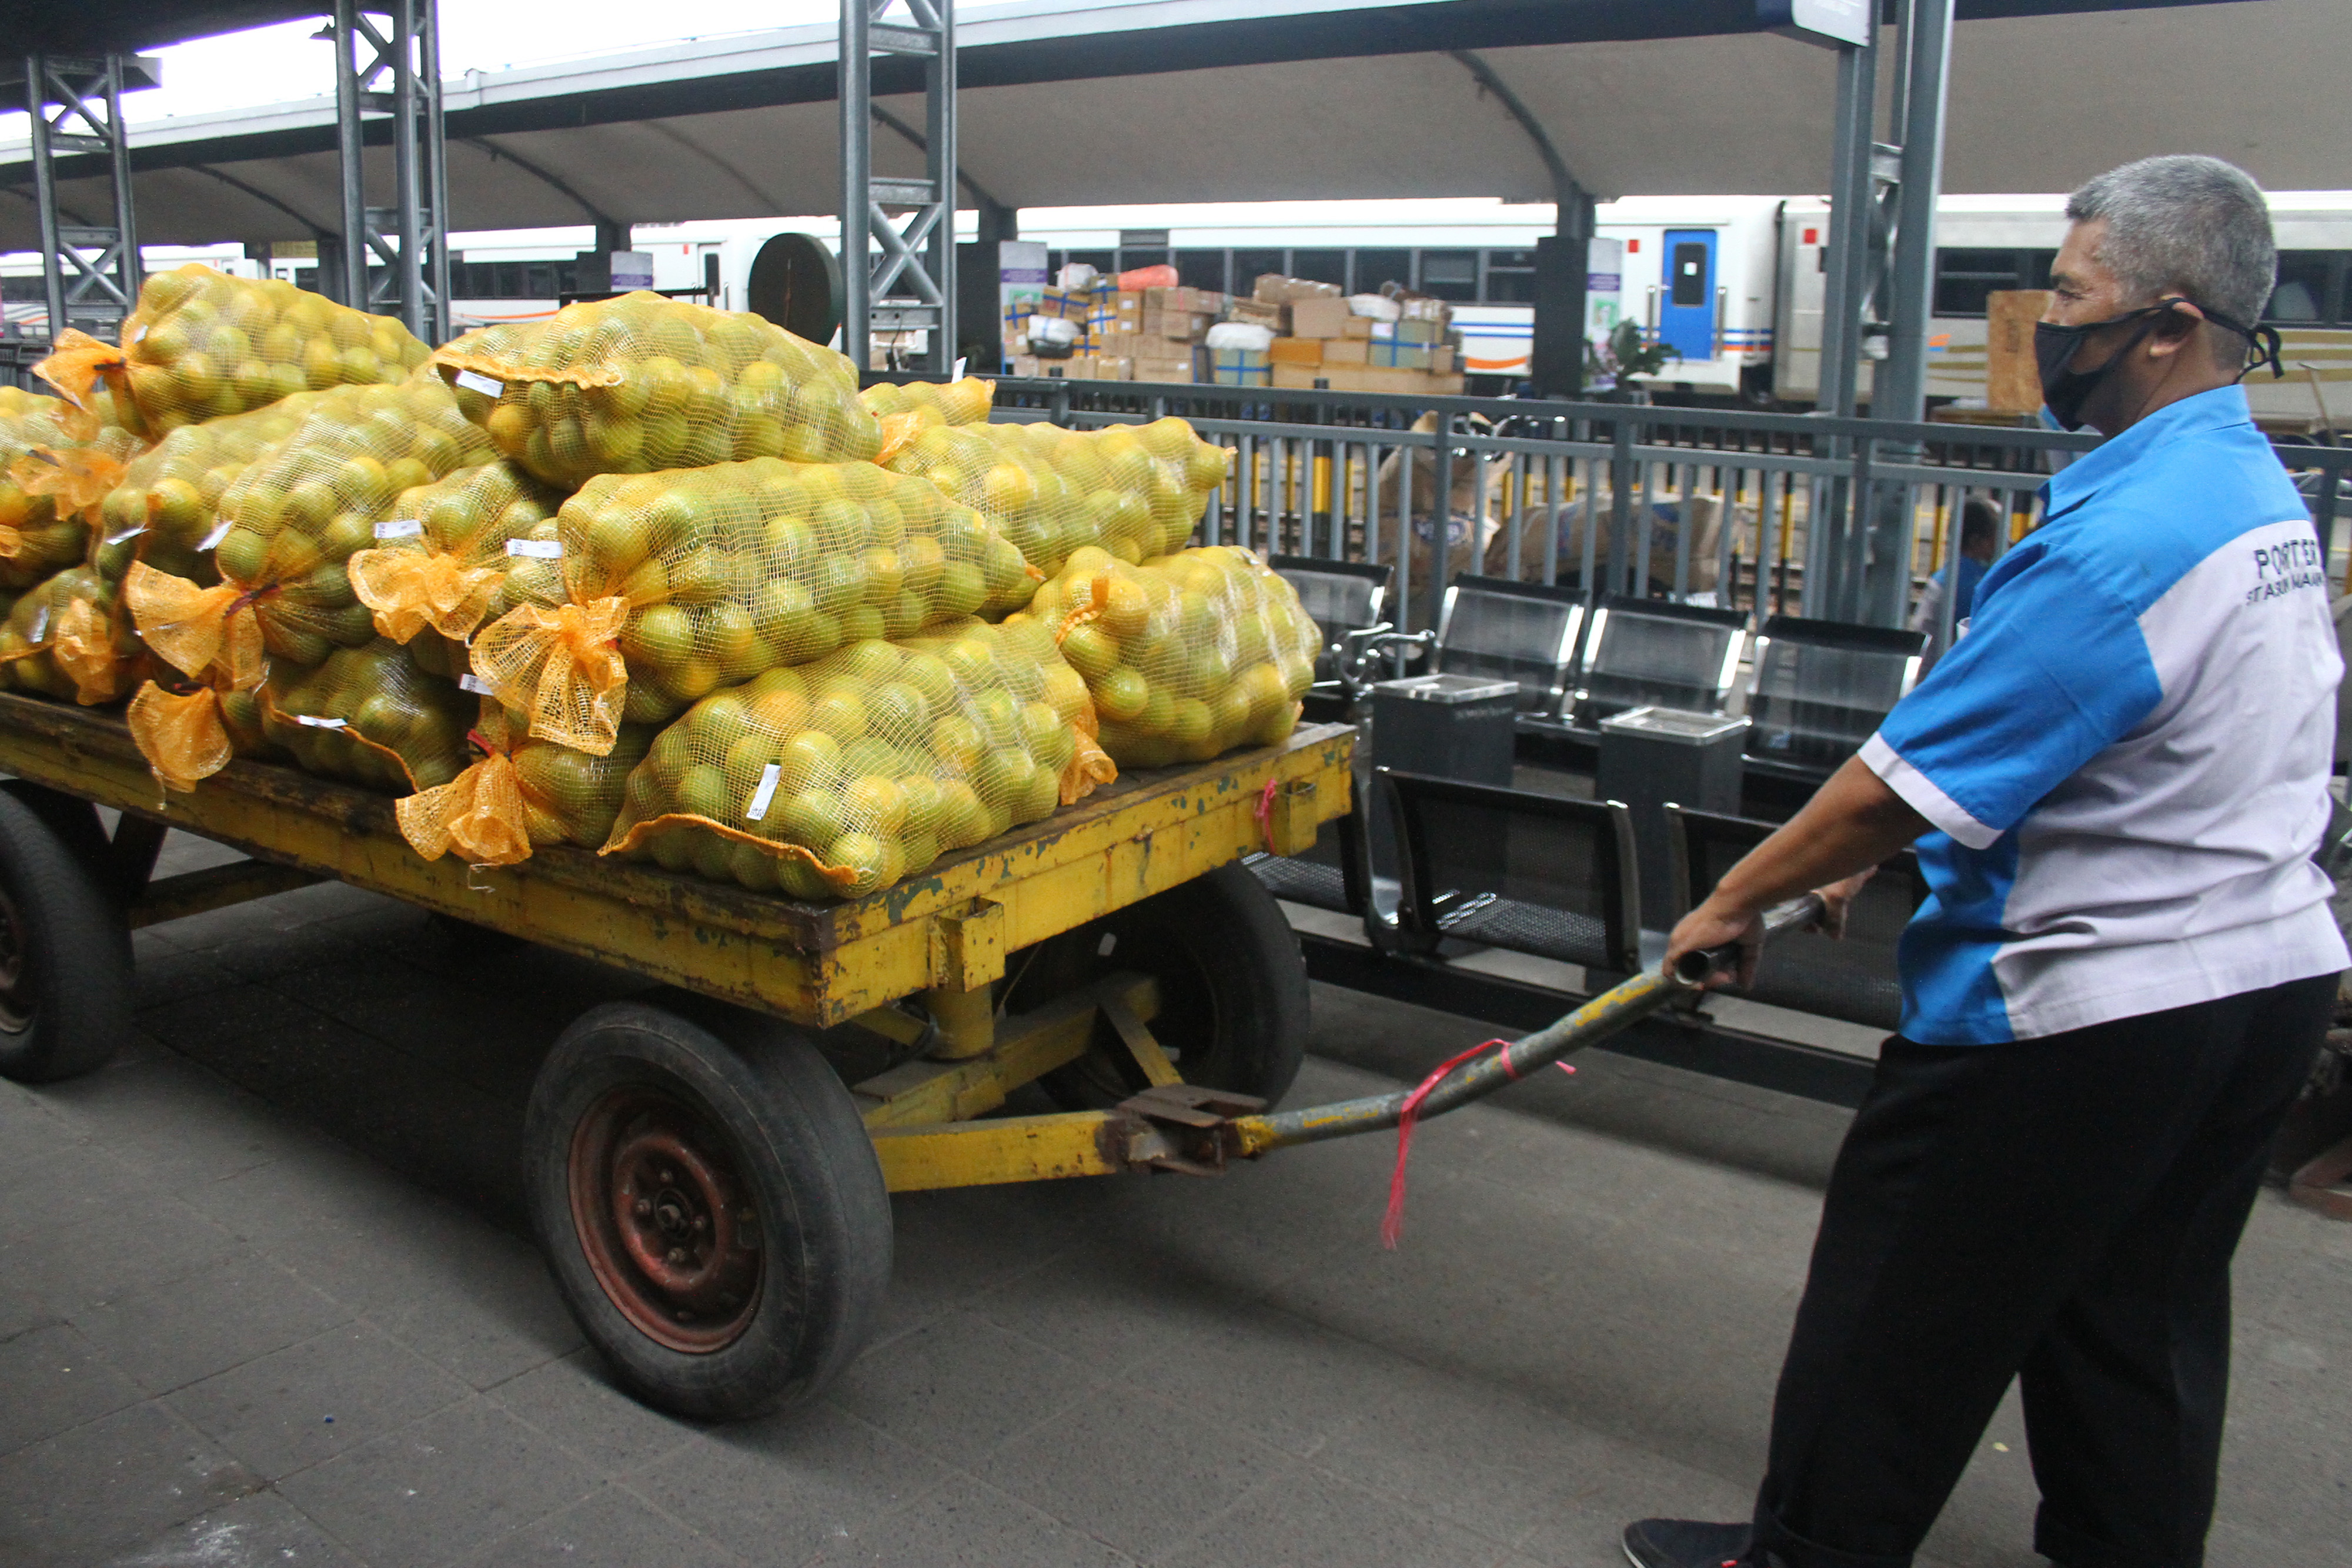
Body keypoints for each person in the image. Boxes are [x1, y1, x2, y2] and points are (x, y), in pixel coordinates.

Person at [1624, 155, 2344, 1568]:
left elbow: (1887, 788)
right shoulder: (2247, 487)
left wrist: (1729, 898)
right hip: (2260, 986)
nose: (2041, 329)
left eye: (2070, 298)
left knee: (1896, 1310)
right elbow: (2136, 740)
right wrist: (1901, 844)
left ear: (2165, 324)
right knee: (2132, 1322)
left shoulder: (2118, 541)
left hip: (2076, 1018)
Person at [1906, 497, 2002, 653]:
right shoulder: (1970, 585)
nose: (2008, 542)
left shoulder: (1952, 574)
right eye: (2000, 534)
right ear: (1976, 541)